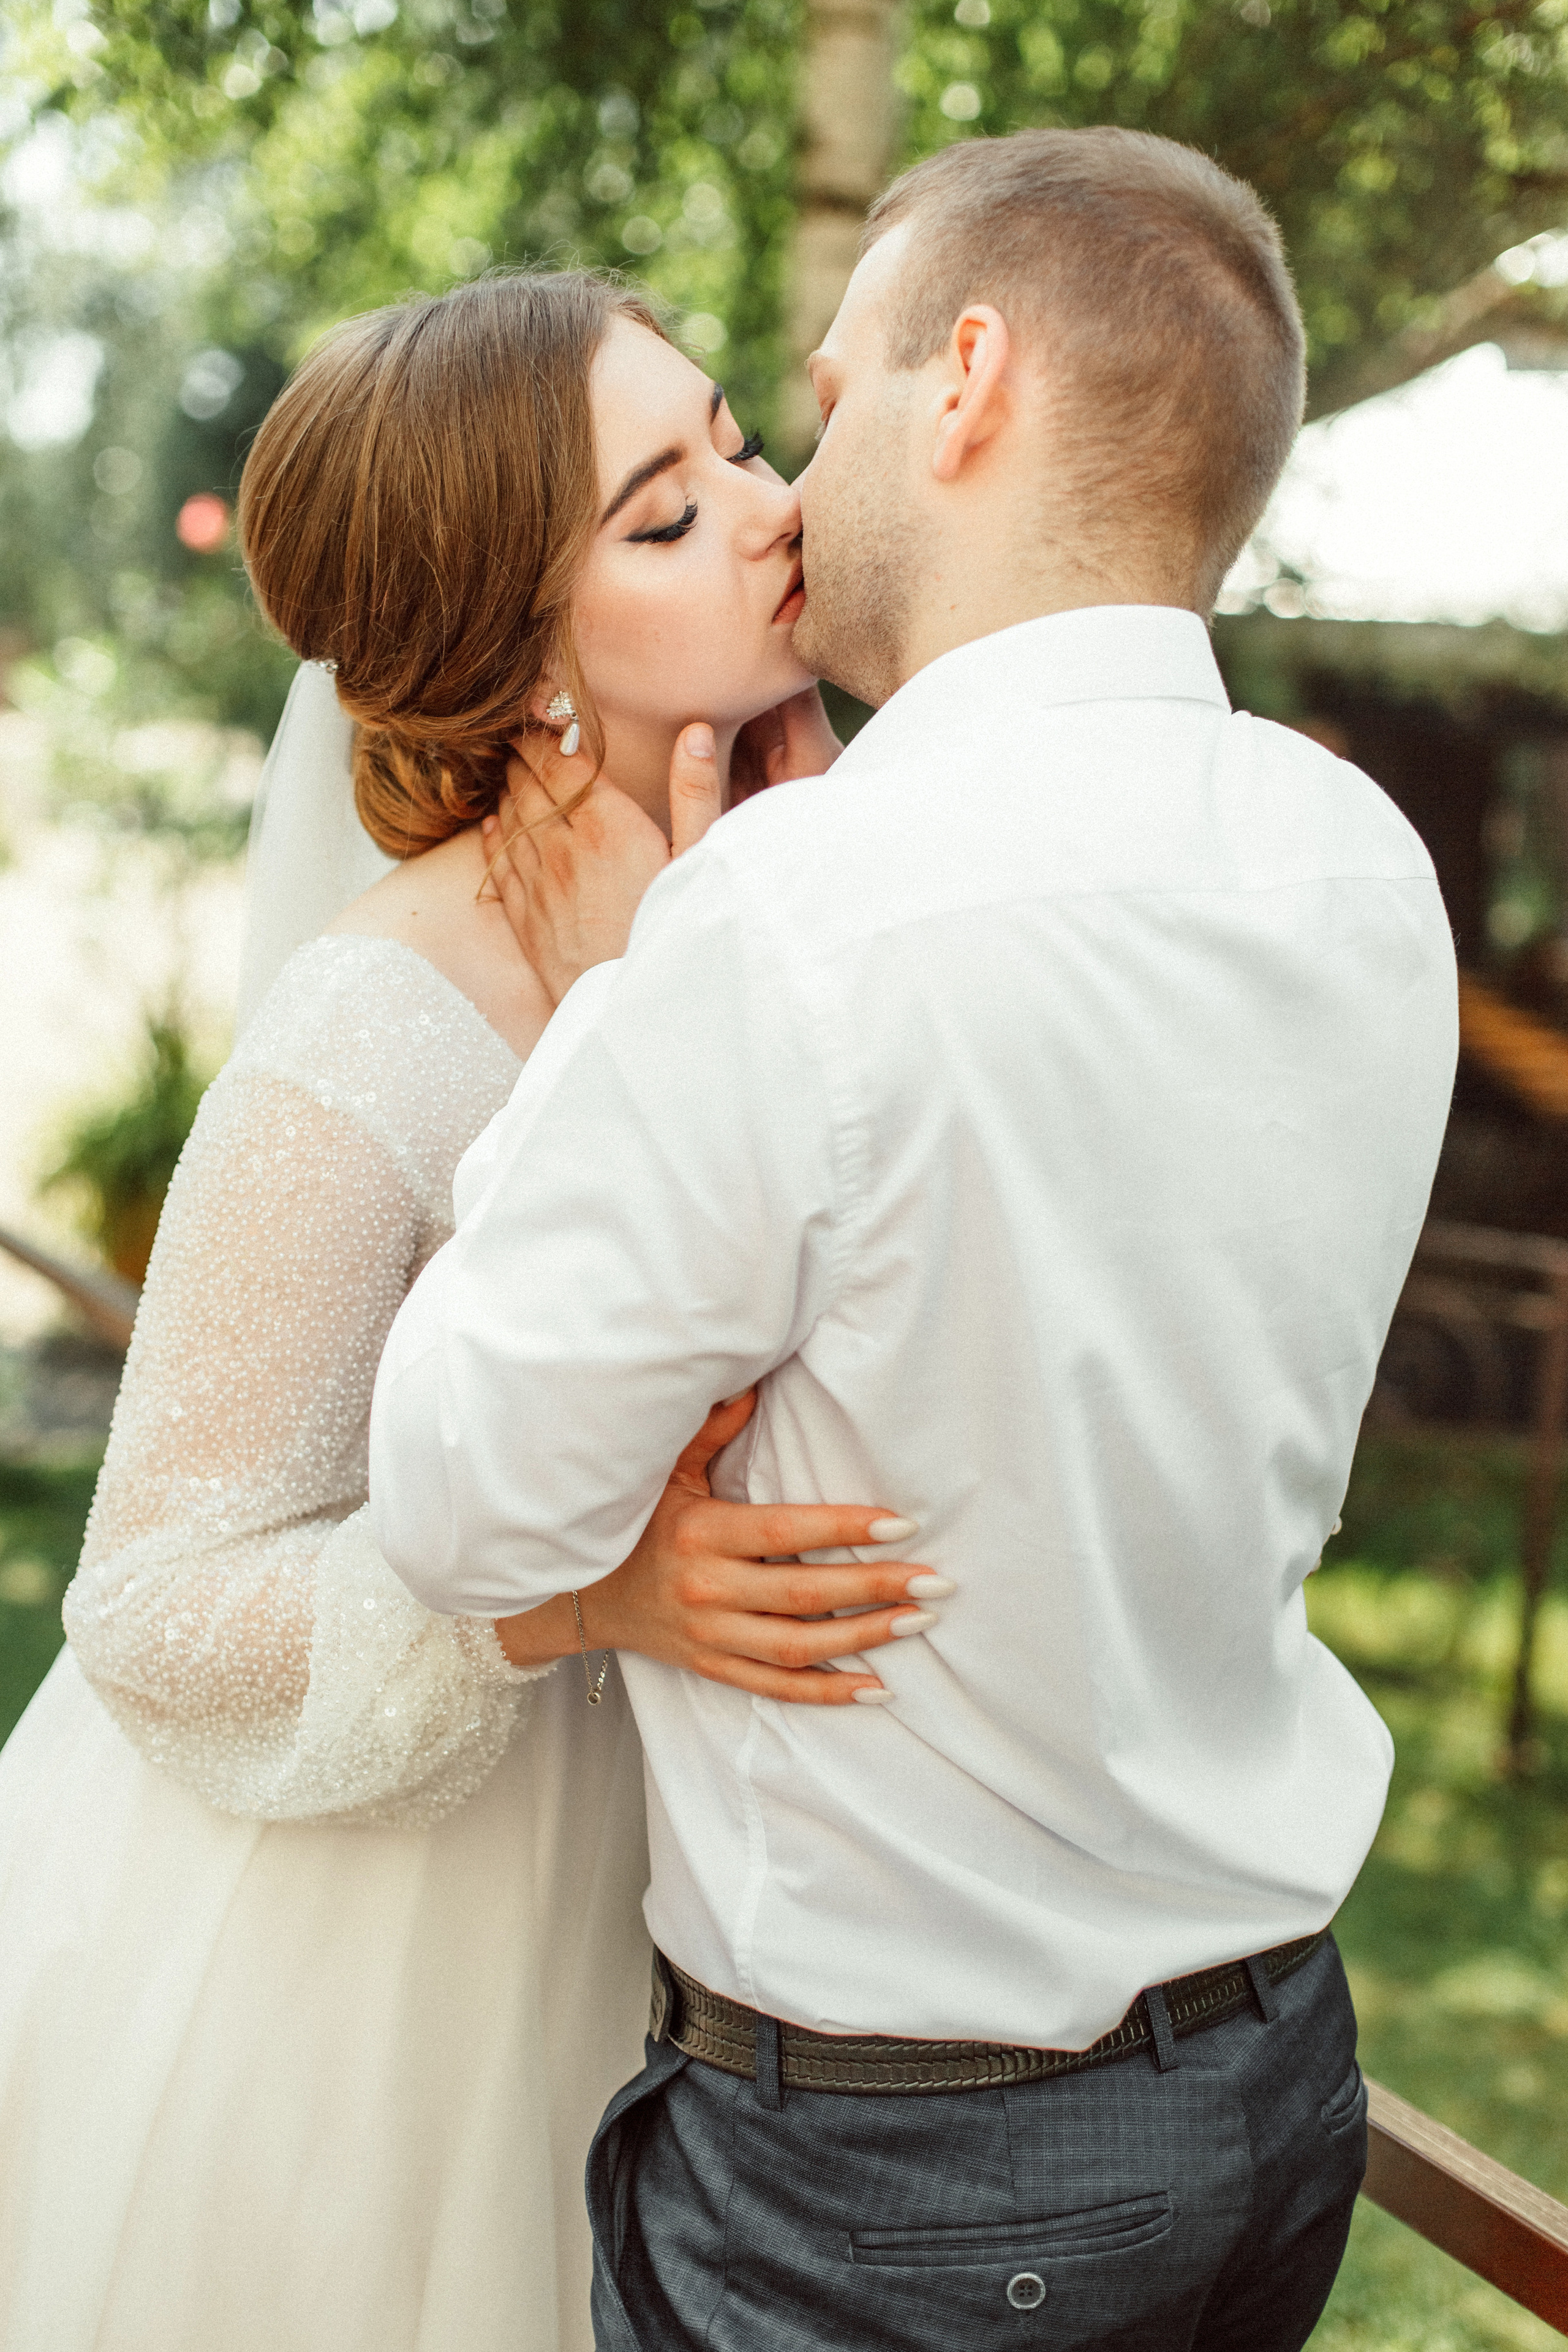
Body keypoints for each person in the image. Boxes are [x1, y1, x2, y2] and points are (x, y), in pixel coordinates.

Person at [370, 127, 1460, 2352]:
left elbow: (465, 1495)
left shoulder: (796, 919)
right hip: (1275, 2096)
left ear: (967, 381)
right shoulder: (1360, 863)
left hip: (896, 2191)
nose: (798, 473)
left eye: (833, 389)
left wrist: (650, 988)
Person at [0, 270, 939, 2352]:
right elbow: (148, 1605)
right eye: (663, 514)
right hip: (345, 1954)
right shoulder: (373, 1036)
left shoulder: (797, 883)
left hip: (697, 1911)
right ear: (527, 671)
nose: (768, 505)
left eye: (733, 439)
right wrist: (583, 1599)